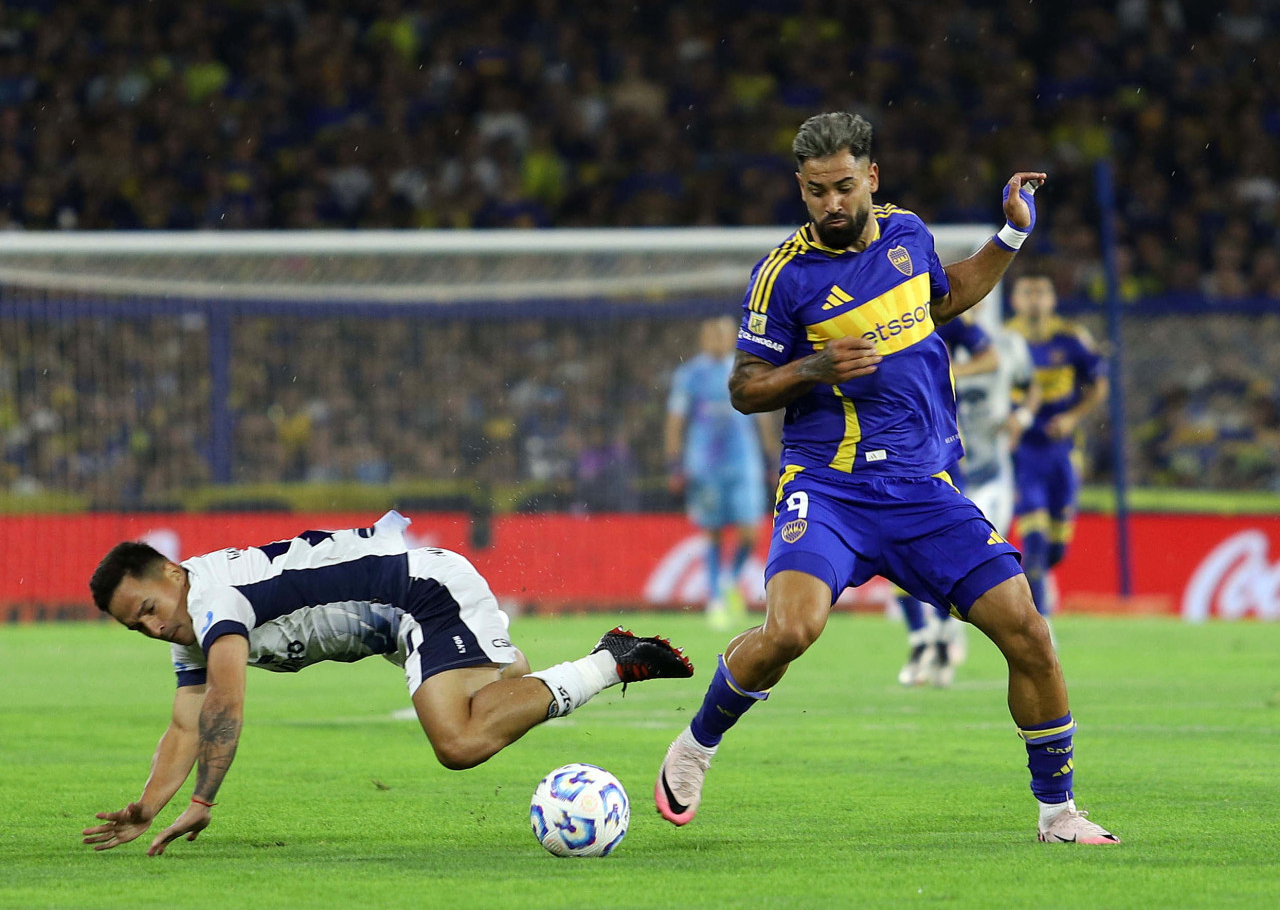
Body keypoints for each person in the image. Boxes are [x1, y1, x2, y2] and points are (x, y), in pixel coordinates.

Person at [654, 112, 1119, 844]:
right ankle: (695, 745)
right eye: (815, 192)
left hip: (920, 488)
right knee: (790, 629)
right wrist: (812, 365)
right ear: (801, 189)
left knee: (1027, 629)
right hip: (828, 486)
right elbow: (744, 387)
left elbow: (945, 296)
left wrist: (1011, 236)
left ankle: (1058, 810)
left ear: (871, 177)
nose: (830, 204)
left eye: (843, 186)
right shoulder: (782, 275)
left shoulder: (908, 234)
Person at [80, 510, 693, 856]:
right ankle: (506, 668)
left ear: (170, 572)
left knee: (457, 742)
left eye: (149, 608)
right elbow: (185, 723)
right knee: (492, 703)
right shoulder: (192, 628)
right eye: (137, 625)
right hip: (399, 619)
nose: (154, 626)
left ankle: (609, 661)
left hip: (417, 595)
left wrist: (202, 802)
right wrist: (147, 806)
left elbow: (223, 705)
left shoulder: (214, 602)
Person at [894, 315, 1001, 688]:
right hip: (886, 449)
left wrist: (951, 366)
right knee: (894, 547)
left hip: (939, 452)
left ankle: (939, 637)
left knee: (941, 549)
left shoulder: (936, 310)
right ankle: (920, 640)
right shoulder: (870, 306)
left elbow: (991, 358)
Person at [1006, 276, 1107, 627]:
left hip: (1063, 452)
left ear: (1052, 299)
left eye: (1042, 292)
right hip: (1024, 454)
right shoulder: (1004, 339)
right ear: (1015, 299)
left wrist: (1072, 417)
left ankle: (1038, 584)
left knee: (1055, 551)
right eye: (1027, 291)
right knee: (1033, 541)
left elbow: (1098, 383)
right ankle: (1042, 625)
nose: (1034, 299)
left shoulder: (1072, 337)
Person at [665, 316, 772, 629]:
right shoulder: (690, 375)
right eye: (713, 334)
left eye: (725, 334)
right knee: (712, 532)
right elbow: (675, 420)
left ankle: (729, 580)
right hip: (705, 466)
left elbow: (762, 416)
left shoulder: (744, 369)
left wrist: (770, 458)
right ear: (703, 338)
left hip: (744, 462)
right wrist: (675, 463)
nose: (719, 339)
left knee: (750, 533)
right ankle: (715, 599)